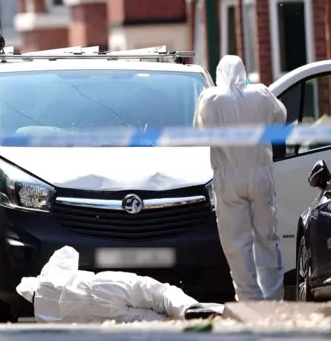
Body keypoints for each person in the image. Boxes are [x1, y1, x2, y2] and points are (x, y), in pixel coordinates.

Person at [193, 55, 287, 301]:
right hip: (260, 171)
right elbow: (281, 118)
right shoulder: (261, 94)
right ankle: (273, 298)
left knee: (237, 243)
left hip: (228, 175)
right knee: (267, 237)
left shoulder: (210, 98)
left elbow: (199, 132)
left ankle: (248, 298)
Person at [16, 246, 223, 323]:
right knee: (159, 293)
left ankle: (186, 322)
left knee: (154, 321)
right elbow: (69, 252)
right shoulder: (50, 272)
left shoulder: (44, 317)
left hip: (94, 317)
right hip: (102, 285)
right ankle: (189, 309)